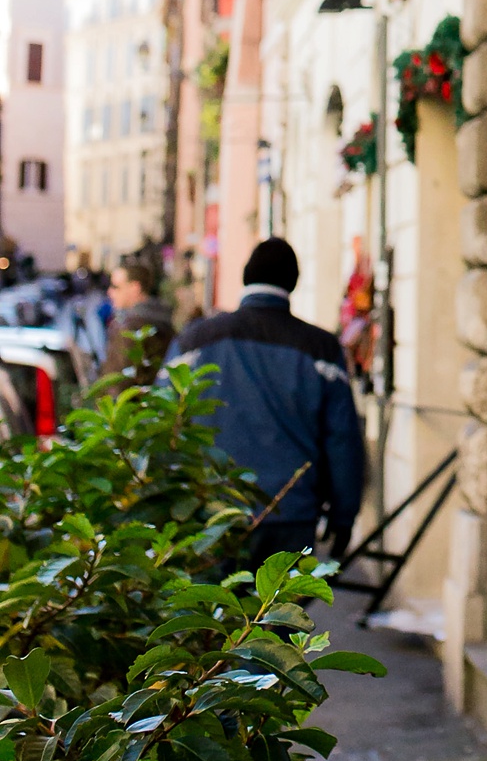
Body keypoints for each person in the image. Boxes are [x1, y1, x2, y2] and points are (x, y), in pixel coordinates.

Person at [166, 238, 365, 569]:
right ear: (294, 282)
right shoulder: (321, 350)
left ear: (245, 277)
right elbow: (342, 438)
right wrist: (344, 516)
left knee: (212, 616)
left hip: (209, 514)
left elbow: (162, 420)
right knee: (278, 616)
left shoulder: (194, 342)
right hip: (290, 514)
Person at [101, 253, 176, 383]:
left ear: (134, 288)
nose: (110, 292)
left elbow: (118, 380)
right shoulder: (164, 317)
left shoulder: (130, 326)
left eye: (116, 286)